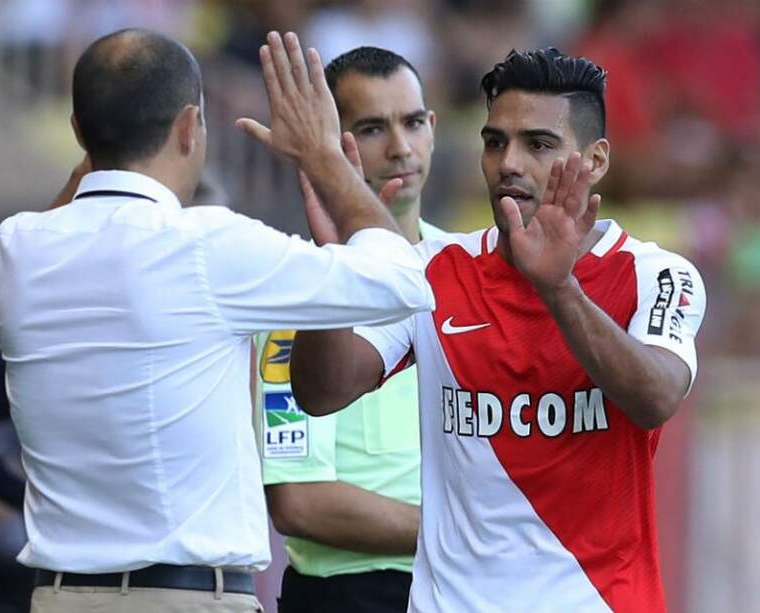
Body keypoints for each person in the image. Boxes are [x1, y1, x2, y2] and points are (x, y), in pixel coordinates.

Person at [0, 28, 435, 613]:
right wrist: (322, 157)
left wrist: (105, 139)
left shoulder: (14, 250)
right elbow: (403, 277)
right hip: (185, 598)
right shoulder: (208, 245)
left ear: (80, 133)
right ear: (190, 127)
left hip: (61, 597)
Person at [289, 48, 707, 612]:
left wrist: (559, 290)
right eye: (494, 142)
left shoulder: (657, 273)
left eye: (538, 144)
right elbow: (323, 392)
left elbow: (656, 397)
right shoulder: (432, 268)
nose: (509, 162)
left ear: (597, 159)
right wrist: (333, 265)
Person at [257, 47, 442, 613]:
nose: (401, 147)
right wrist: (464, 530)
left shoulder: (475, 272)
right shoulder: (297, 296)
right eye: (371, 128)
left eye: (413, 122)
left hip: (464, 590)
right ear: (336, 146)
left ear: (434, 128)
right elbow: (300, 503)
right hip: (349, 596)